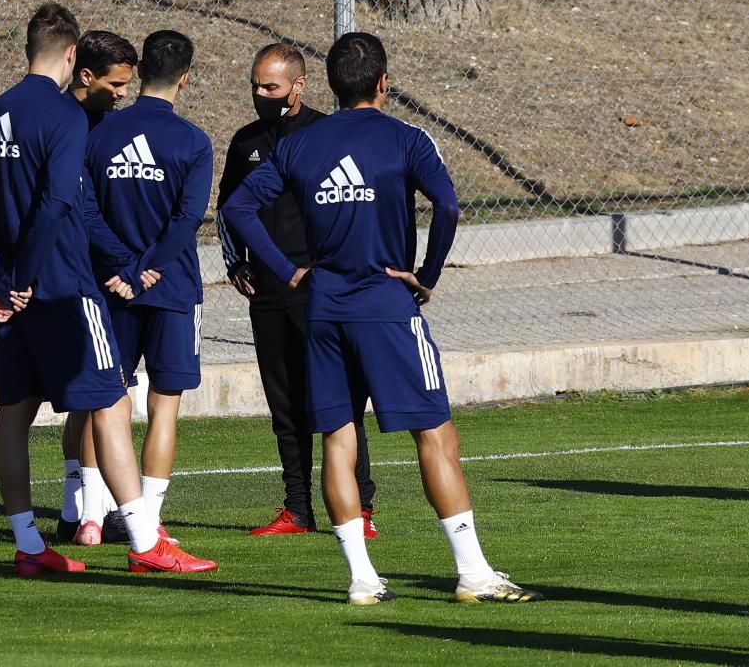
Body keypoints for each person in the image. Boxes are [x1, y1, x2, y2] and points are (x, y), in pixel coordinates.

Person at [222, 32, 543, 605]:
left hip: (322, 309)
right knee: (436, 433)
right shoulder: (407, 138)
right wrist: (429, 272)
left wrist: (288, 270)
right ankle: (473, 574)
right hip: (387, 308)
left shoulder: (299, 146)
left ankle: (362, 580)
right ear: (384, 82)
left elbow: (237, 207)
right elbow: (446, 205)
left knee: (338, 439)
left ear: (329, 85)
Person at [0, 3, 215, 575]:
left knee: (15, 413)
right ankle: (148, 544)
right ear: (73, 57)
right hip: (66, 288)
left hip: (15, 295)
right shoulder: (64, 116)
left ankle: (29, 548)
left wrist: (2, 279)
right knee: (111, 403)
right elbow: (58, 203)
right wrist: (23, 278)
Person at [215, 43, 379, 538]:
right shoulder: (246, 143)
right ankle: (297, 508)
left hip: (319, 289)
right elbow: (229, 209)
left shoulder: (324, 136)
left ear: (299, 86)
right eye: (256, 86)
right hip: (267, 289)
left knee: (337, 398)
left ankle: (361, 506)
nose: (261, 94)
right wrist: (236, 262)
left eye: (271, 87)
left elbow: (350, 205)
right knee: (283, 402)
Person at [75, 30, 212, 547]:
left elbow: (86, 209)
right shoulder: (193, 140)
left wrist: (123, 266)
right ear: (185, 78)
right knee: (164, 404)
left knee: (105, 401)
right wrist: (149, 266)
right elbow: (189, 217)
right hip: (171, 286)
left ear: (138, 73)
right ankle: (147, 522)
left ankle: (92, 516)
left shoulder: (101, 133)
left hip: (111, 285)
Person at [55, 30, 140, 544]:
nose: (124, 93)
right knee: (102, 394)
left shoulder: (109, 124)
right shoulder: (65, 123)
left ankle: (79, 510)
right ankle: (93, 513)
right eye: (117, 83)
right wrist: (126, 261)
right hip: (81, 276)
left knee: (91, 396)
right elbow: (82, 208)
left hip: (94, 270)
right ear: (86, 76)